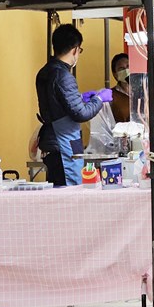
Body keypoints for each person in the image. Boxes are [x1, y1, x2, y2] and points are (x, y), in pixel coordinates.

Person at [36, 24, 104, 186]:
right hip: (63, 144)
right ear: (75, 49)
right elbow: (80, 114)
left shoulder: (45, 71)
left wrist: (80, 98)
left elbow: (57, 103)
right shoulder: (63, 75)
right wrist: (99, 100)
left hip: (51, 141)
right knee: (69, 194)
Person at [109, 52, 131, 123]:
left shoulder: (143, 92)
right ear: (115, 74)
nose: (126, 71)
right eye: (121, 69)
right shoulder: (111, 95)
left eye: (128, 66)